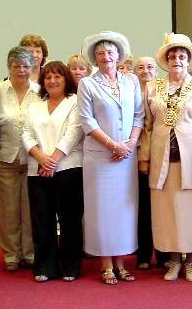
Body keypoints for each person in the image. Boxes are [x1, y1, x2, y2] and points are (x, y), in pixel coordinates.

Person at [139, 34, 192, 281]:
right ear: (166, 60)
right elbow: (146, 126)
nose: (177, 60)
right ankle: (173, 261)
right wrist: (144, 156)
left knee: (191, 210)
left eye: (182, 56)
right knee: (166, 211)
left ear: (188, 60)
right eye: (172, 56)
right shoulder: (153, 87)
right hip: (162, 158)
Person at [77, 31, 144, 285]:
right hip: (100, 159)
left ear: (119, 55)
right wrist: (113, 145)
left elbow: (139, 115)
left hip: (126, 157)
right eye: (101, 53)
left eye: (110, 52)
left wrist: (129, 144)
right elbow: (86, 120)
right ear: (95, 57)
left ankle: (121, 262)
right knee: (102, 212)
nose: (106, 56)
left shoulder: (132, 81)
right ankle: (106, 263)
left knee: (124, 211)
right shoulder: (88, 84)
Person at [23, 61, 84, 282]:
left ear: (66, 79)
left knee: (69, 220)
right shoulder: (35, 105)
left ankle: (70, 266)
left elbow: (73, 134)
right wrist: (41, 158)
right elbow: (26, 134)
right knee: (42, 220)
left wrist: (53, 161)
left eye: (57, 76)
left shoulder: (75, 102)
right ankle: (44, 266)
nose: (52, 81)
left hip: (69, 168)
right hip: (37, 170)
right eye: (48, 77)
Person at [0, 46, 39, 272]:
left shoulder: (41, 91)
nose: (21, 70)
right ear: (9, 67)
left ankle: (30, 253)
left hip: (33, 161)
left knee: (30, 210)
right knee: (8, 210)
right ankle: (12, 254)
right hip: (6, 159)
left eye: (26, 66)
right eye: (16, 66)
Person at [134, 55, 169, 270]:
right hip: (137, 157)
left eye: (150, 67)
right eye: (141, 67)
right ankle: (144, 254)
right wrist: (143, 157)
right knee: (143, 207)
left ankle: (164, 255)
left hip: (162, 155)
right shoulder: (129, 91)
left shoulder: (164, 90)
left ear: (157, 70)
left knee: (162, 207)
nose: (145, 70)